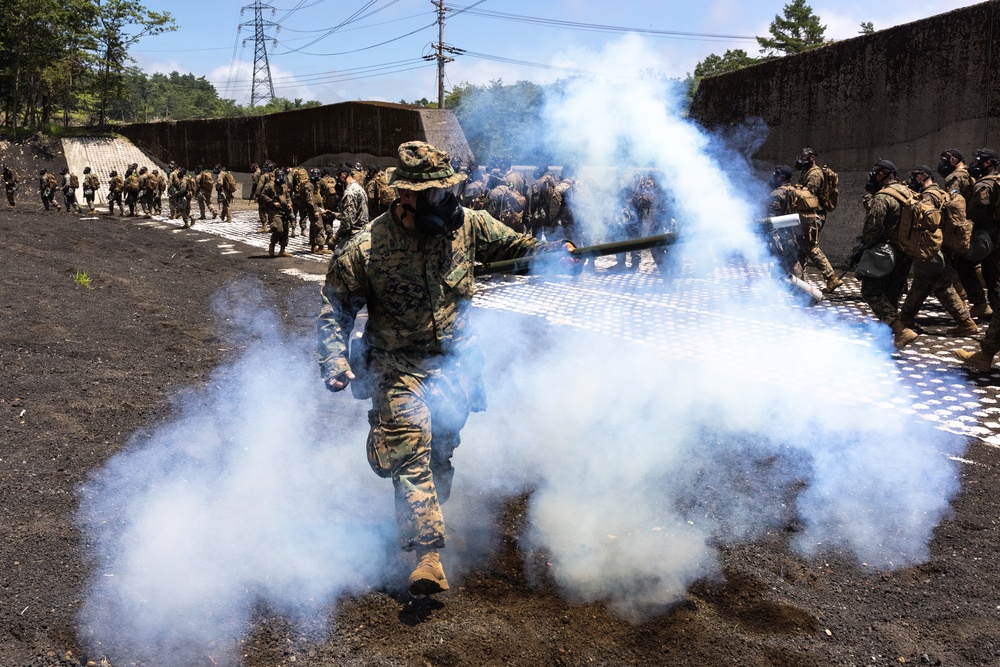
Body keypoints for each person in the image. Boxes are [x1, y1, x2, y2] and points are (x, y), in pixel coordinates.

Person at [317, 141, 574, 596]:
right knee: (410, 447)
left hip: (455, 365)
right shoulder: (367, 248)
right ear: (407, 196)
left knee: (440, 451)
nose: (448, 200)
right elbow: (334, 309)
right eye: (436, 193)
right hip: (398, 366)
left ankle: (428, 518)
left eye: (448, 189)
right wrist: (335, 360)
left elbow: (520, 246)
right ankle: (427, 556)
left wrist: (559, 254)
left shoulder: (468, 225)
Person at [897, 166, 977, 335]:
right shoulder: (941, 193)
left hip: (931, 249)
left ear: (921, 177)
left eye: (915, 176)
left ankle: (966, 323)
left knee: (943, 287)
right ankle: (905, 318)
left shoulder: (928, 197)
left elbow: (923, 224)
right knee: (921, 284)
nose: (913, 180)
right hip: (941, 247)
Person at [859, 159, 918, 348]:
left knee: (871, 292)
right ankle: (886, 335)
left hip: (886, 252)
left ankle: (900, 330)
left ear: (882, 174)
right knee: (892, 294)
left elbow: (873, 228)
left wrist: (865, 247)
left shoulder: (882, 197)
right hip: (906, 252)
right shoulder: (908, 193)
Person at [956, 149, 1000, 370]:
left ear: (989, 163)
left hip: (991, 240)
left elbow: (976, 212)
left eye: (979, 161)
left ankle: (985, 355)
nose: (975, 164)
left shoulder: (984, 186)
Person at [940, 148, 991, 321]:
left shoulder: (955, 178)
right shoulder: (970, 174)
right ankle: (978, 303)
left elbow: (954, 207)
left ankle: (970, 303)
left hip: (963, 227)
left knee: (958, 265)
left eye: (945, 159)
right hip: (979, 228)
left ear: (954, 160)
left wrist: (953, 231)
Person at [794, 148, 842, 293]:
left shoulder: (815, 174)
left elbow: (808, 196)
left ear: (812, 158)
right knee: (803, 246)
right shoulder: (808, 172)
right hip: (810, 216)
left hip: (814, 216)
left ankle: (831, 278)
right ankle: (801, 281)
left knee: (811, 246)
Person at [330, 163, 369, 252]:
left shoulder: (349, 193)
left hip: (353, 237)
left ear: (343, 175)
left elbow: (347, 222)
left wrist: (334, 239)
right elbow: (355, 214)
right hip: (363, 234)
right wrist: (335, 215)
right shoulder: (360, 189)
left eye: (339, 175)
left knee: (338, 261)